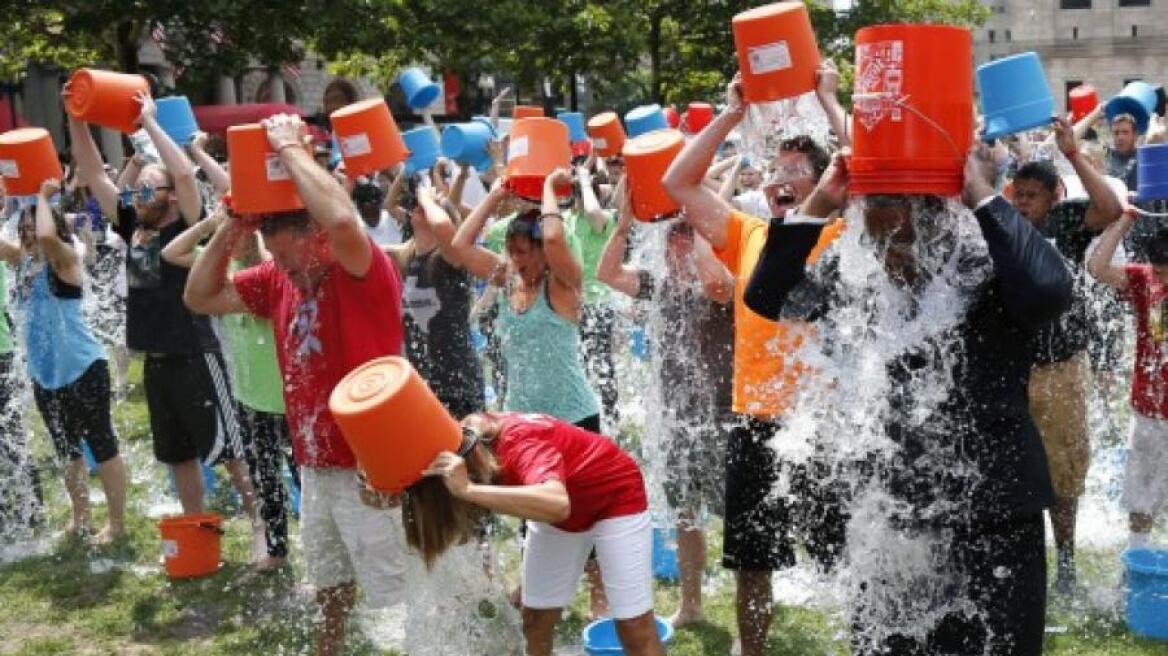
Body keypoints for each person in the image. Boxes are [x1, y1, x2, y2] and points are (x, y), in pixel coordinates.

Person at [743, 139, 1072, 654]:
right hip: (895, 518)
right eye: (880, 241)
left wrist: (982, 195)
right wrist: (821, 203)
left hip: (996, 517)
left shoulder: (983, 270)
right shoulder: (858, 279)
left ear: (939, 222)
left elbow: (1049, 290)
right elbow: (767, 294)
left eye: (903, 238)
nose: (892, 254)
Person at [183, 113, 407, 656]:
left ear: (314, 236)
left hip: (373, 460)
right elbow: (199, 296)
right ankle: (328, 643)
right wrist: (234, 225)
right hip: (315, 458)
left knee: (395, 588)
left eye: (284, 253)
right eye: (273, 256)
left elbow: (347, 224)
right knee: (328, 570)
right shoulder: (278, 279)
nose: (280, 266)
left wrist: (289, 150)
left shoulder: (362, 268)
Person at [661, 68, 844, 656]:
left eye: (796, 172)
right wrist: (731, 114)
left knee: (843, 554)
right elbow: (677, 181)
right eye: (775, 172)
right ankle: (753, 650)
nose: (780, 181)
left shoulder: (841, 232)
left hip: (824, 425)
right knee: (752, 559)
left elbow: (866, 166)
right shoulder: (748, 233)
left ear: (824, 182)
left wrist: (828, 100)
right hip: (755, 419)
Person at [67, 90, 257, 522]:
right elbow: (94, 172)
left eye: (148, 187)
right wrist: (77, 118)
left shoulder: (189, 219)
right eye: (137, 188)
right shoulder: (134, 222)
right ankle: (196, 526)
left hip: (194, 352)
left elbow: (187, 176)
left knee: (229, 451)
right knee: (178, 454)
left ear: (169, 195)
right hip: (156, 358)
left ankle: (265, 527)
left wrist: (151, 122)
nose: (137, 192)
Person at [413, 412, 665, 656]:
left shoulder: (519, 444)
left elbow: (556, 503)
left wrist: (468, 490)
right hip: (561, 510)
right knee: (534, 622)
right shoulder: (464, 441)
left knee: (634, 629)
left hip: (615, 498)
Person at [596, 180, 734, 627]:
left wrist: (700, 223)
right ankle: (691, 606)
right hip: (678, 418)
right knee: (687, 515)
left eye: (687, 240)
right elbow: (607, 275)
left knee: (735, 516)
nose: (678, 249)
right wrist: (622, 225)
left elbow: (717, 276)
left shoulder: (720, 284)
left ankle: (741, 607)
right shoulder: (658, 286)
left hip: (723, 418)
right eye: (674, 241)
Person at [1008, 120, 1123, 593]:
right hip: (1014, 370)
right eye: (1019, 194)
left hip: (1062, 368)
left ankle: (1068, 564)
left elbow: (1112, 208)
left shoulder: (1067, 223)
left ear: (1054, 195)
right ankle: (1024, 564)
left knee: (1064, 472)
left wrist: (1074, 155)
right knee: (1015, 470)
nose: (1023, 203)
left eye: (1033, 195)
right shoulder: (1002, 226)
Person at [161, 207, 296, 571]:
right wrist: (211, 225)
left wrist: (242, 221)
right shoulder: (218, 269)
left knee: (303, 476)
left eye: (236, 236)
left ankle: (323, 548)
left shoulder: (269, 270)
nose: (230, 245)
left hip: (285, 396)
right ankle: (277, 550)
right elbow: (170, 253)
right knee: (266, 477)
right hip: (250, 395)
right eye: (227, 239)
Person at [0, 179, 128, 544]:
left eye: (32, 228)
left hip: (84, 368)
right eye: (21, 231)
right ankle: (81, 518)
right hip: (47, 376)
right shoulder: (22, 265)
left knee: (102, 445)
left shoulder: (65, 259)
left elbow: (45, 238)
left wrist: (41, 196)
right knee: (66, 450)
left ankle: (116, 523)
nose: (28, 236)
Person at [1087, 210, 1168, 554]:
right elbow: (1097, 267)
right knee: (1141, 495)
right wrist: (1125, 220)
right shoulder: (1142, 280)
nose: (1163, 280)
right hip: (1149, 410)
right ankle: (1136, 559)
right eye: (1160, 272)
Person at [383, 181, 485, 418]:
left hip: (459, 381)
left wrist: (427, 198)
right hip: (424, 385)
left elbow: (441, 224)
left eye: (435, 206)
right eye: (418, 205)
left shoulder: (449, 258)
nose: (421, 206)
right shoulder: (405, 257)